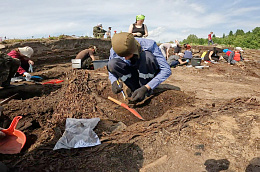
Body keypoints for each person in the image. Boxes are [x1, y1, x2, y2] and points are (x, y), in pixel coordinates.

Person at [107, 32, 171, 103]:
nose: (126, 58)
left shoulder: (149, 45)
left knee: (147, 57)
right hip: (133, 74)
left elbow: (166, 70)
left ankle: (146, 91)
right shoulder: (114, 50)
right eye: (123, 56)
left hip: (146, 72)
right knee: (112, 64)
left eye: (128, 55)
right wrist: (113, 81)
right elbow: (111, 69)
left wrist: (146, 88)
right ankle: (134, 89)